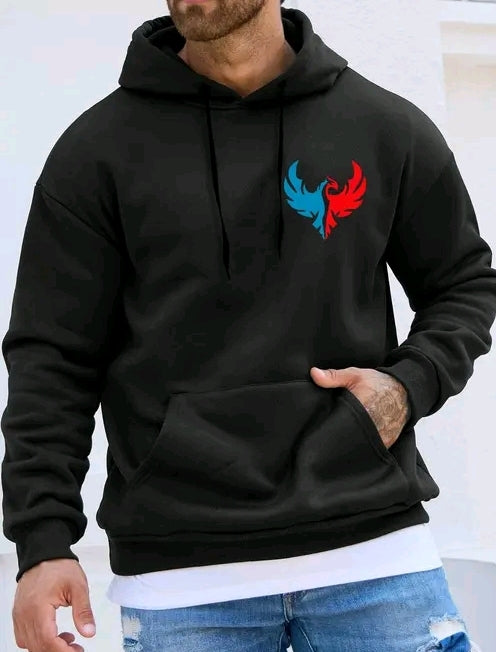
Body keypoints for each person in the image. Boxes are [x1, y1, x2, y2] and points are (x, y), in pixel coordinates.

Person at [2, 0, 495, 649]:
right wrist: (43, 542)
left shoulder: (381, 127)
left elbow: (463, 282)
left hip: (374, 555)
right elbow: (53, 357)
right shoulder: (97, 152)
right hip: (184, 581)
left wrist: (408, 386)